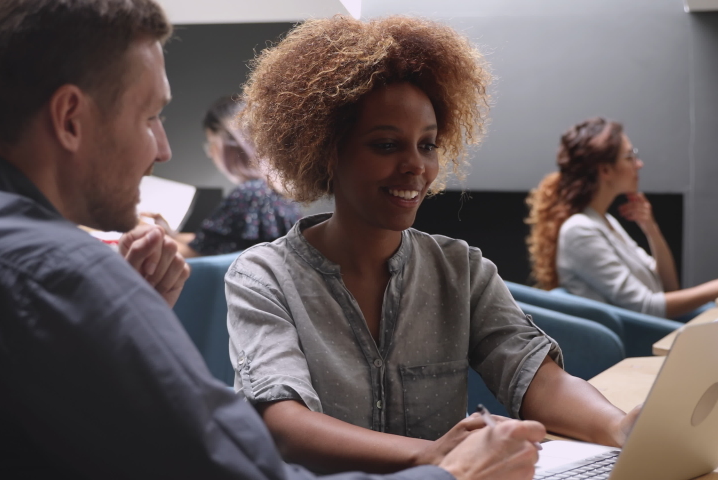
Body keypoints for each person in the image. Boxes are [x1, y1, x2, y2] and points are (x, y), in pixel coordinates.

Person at [0, 1, 543, 479]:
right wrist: (449, 473)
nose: (162, 149)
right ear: (70, 118)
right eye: (151, 116)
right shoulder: (65, 280)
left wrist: (121, 326)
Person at [226, 16, 640, 476]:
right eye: (386, 145)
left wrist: (621, 427)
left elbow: (535, 376)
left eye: (427, 145)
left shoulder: (459, 269)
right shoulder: (263, 277)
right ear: (326, 151)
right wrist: (430, 455)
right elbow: (282, 424)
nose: (416, 166)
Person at [526, 117, 718, 320]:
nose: (639, 164)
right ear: (605, 170)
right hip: (643, 339)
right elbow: (647, 307)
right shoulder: (580, 230)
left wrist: (651, 229)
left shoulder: (606, 221)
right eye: (630, 156)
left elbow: (668, 287)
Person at [144, 96, 301, 257]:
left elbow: (198, 255)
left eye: (211, 142)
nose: (210, 154)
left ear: (231, 142)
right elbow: (214, 243)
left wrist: (141, 229)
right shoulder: (272, 193)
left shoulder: (250, 195)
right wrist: (172, 235)